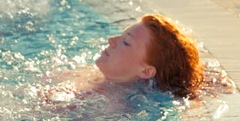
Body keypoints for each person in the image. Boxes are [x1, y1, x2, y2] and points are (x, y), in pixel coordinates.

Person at [42, 14, 204, 102]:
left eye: (126, 42)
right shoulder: (92, 76)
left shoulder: (110, 107)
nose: (111, 40)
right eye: (122, 34)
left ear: (146, 70)